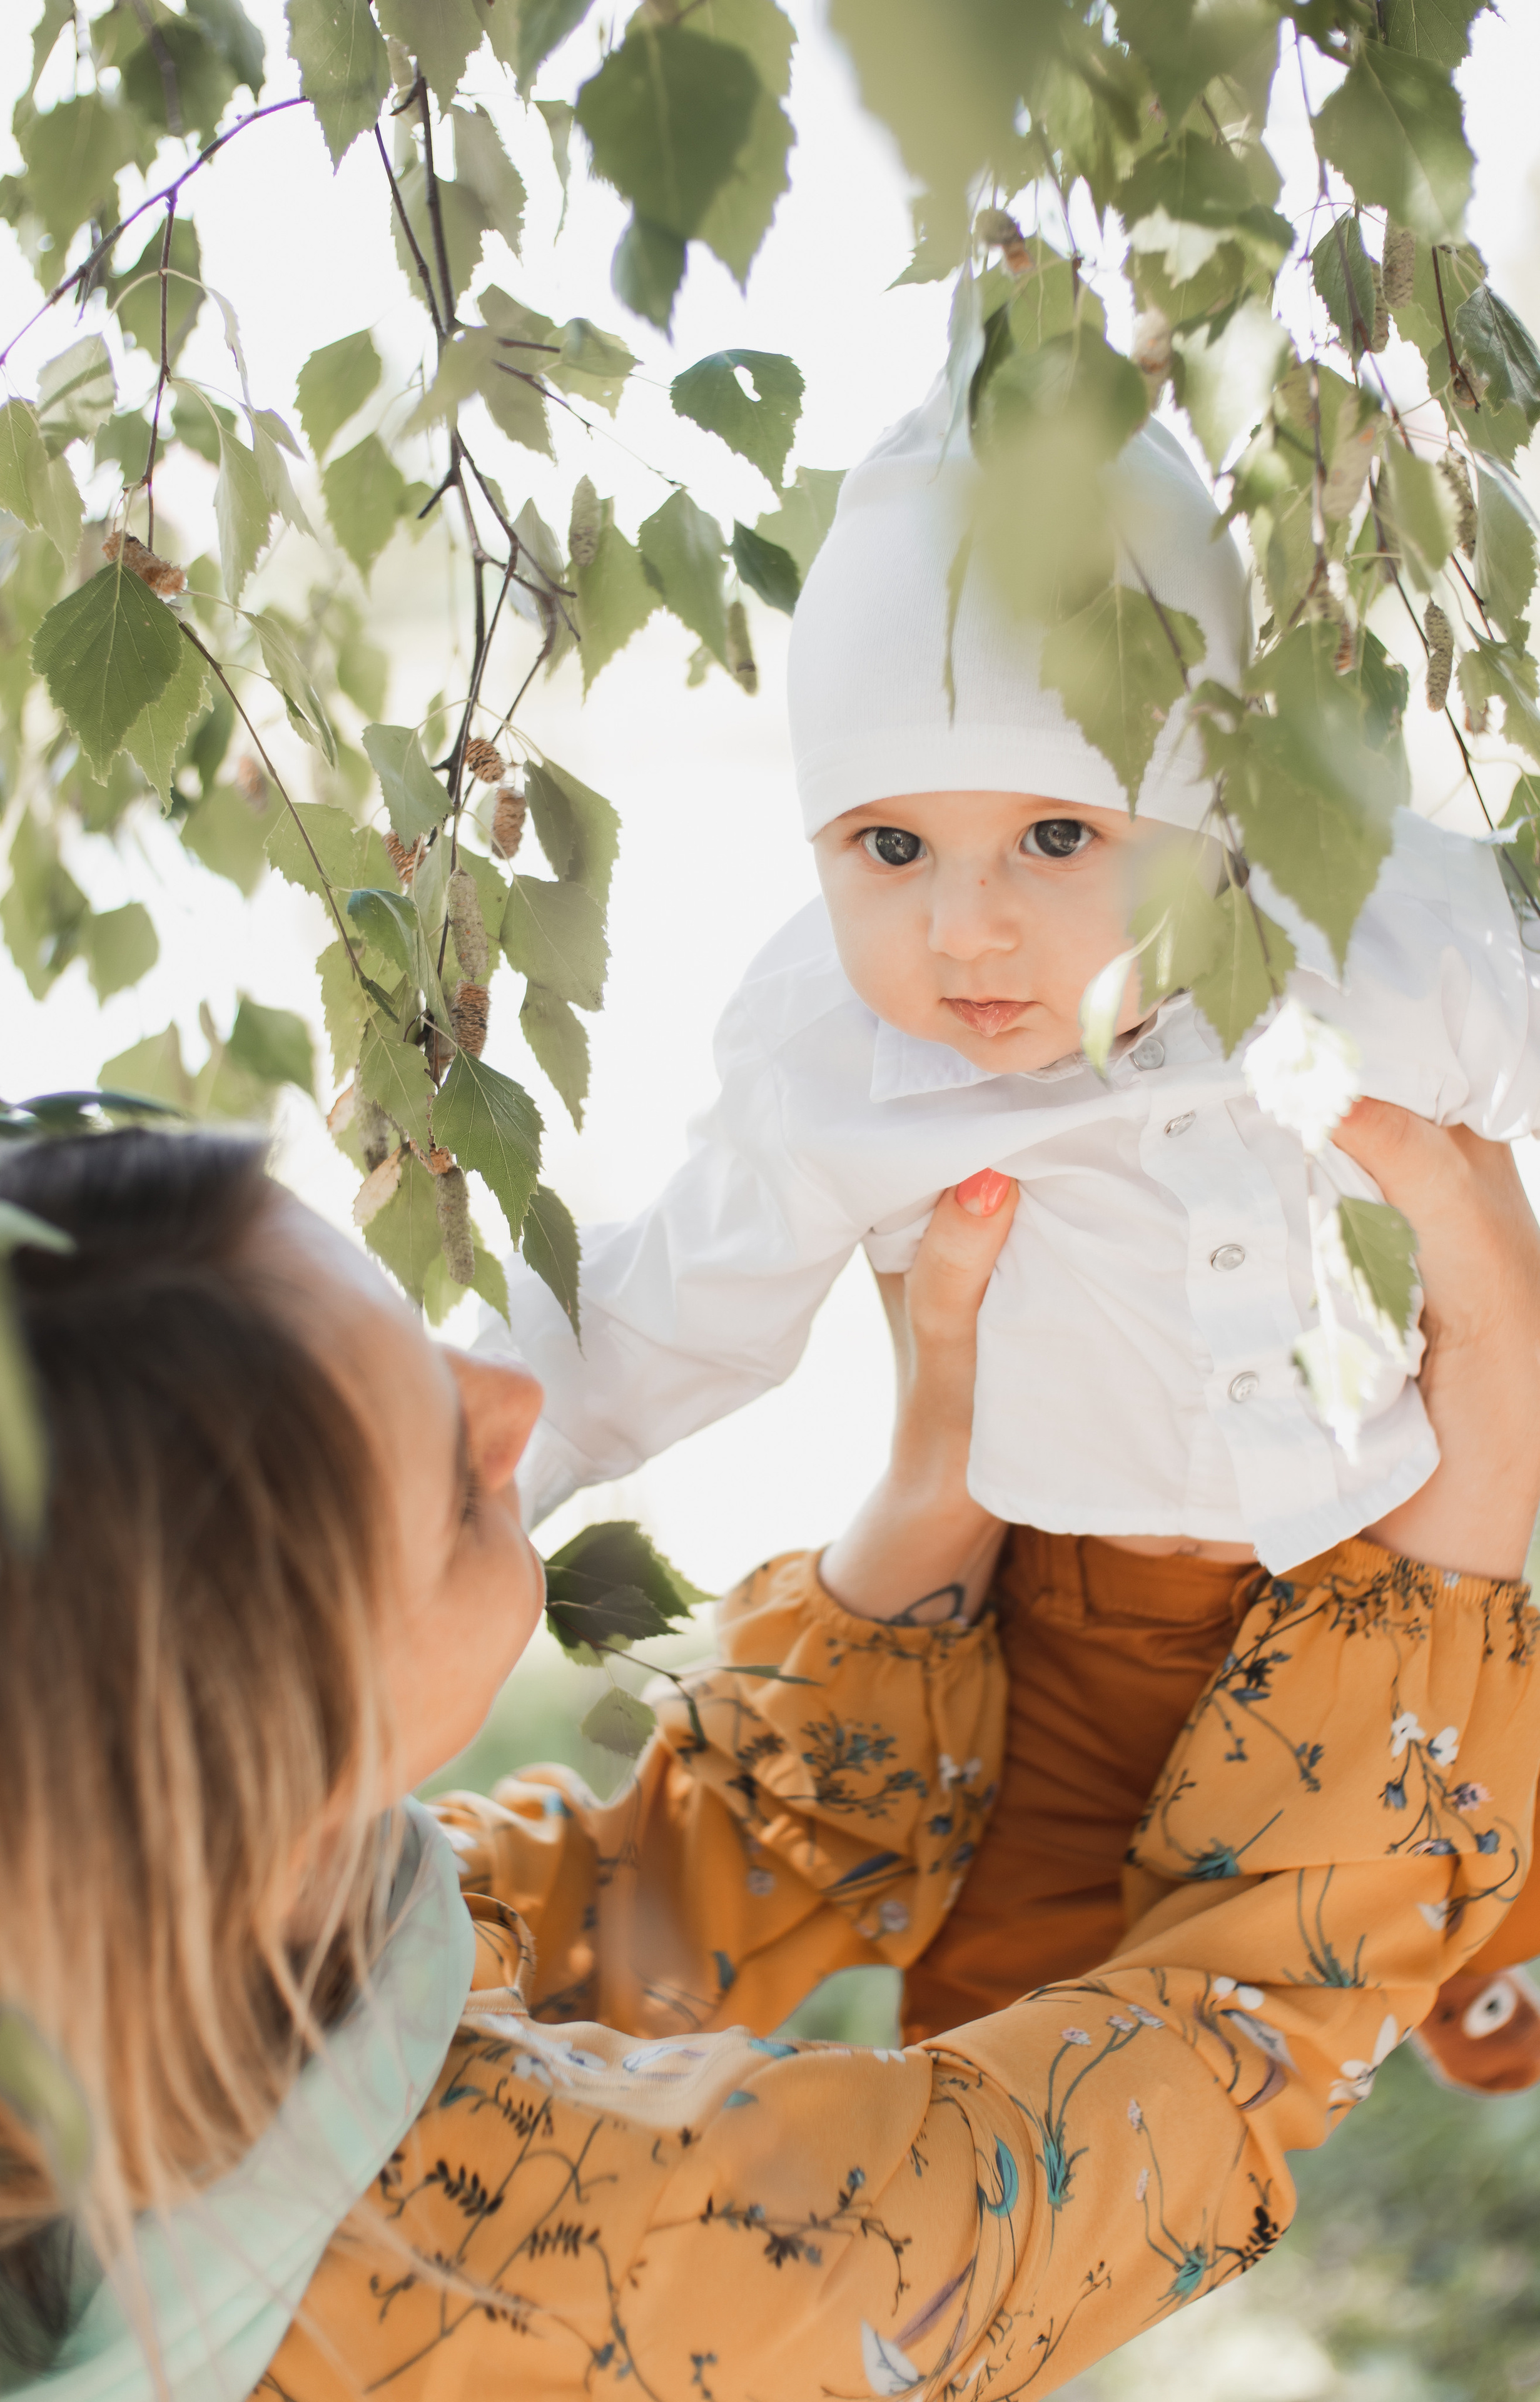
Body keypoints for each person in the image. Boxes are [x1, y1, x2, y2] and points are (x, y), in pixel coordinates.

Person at [0, 1107, 1536, 2402]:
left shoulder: (109, 1967)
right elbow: (1136, 2124)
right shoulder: (540, 2275)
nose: (508, 1396)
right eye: (442, 1479)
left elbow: (650, 1909)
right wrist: (1450, 1545)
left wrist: (934, 1503)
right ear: (232, 1759)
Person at [477, 385, 1540, 2089]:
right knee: (1017, 2015)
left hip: (1389, 1551)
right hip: (1075, 1612)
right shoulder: (845, 1053)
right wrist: (437, 1467)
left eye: (1060, 837)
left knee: (1455, 1799)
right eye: (888, 844)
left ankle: (1487, 1934)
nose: (965, 928)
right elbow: (660, 1316)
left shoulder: (1379, 940)